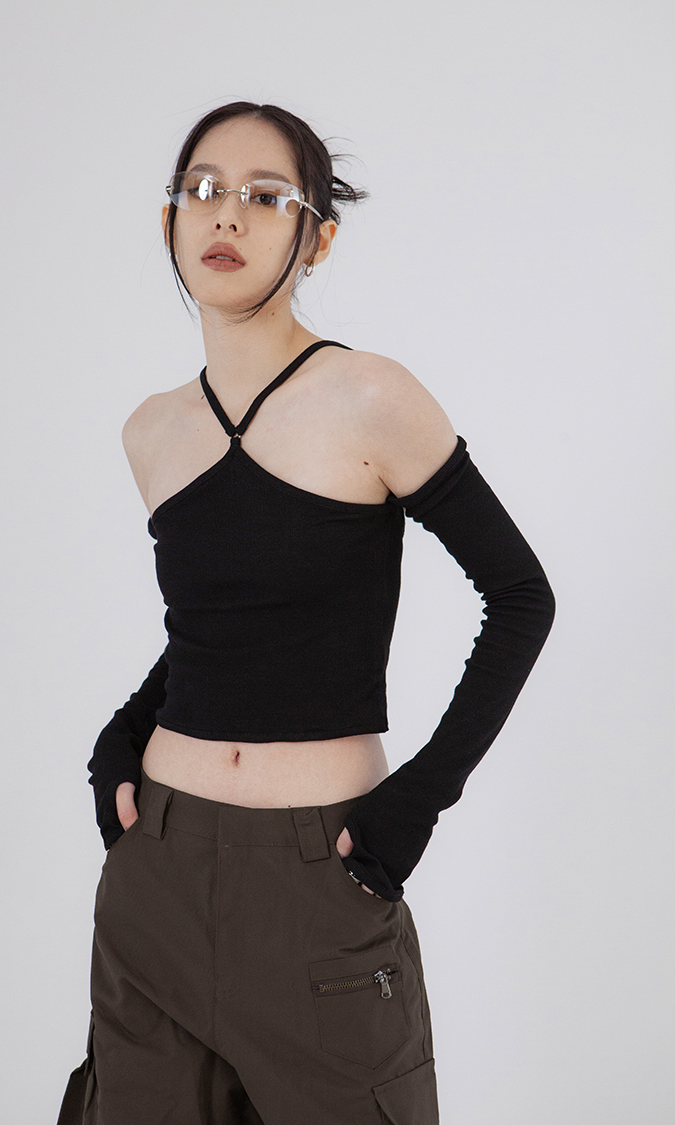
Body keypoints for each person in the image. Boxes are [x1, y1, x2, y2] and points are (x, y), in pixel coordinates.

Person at [58, 101, 555, 1125]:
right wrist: (123, 732)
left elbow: (520, 596)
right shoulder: (152, 431)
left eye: (265, 195)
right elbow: (217, 628)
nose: (226, 214)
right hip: (156, 877)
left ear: (317, 238)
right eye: (202, 189)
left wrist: (417, 800)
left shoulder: (370, 397)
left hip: (319, 878)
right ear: (169, 221)